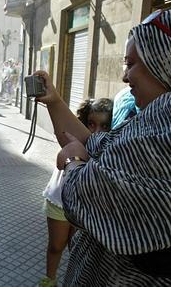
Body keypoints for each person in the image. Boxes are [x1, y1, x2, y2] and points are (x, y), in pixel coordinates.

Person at [35, 6, 171, 285]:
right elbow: (95, 145)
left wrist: (73, 164)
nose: (124, 77)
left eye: (132, 64)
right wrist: (55, 101)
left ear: (169, 61)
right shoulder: (164, 119)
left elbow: (85, 193)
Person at [39, 98, 113, 287]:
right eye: (91, 124)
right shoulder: (75, 135)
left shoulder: (114, 147)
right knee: (56, 246)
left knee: (77, 247)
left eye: (104, 126)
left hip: (86, 203)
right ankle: (49, 281)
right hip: (59, 199)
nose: (97, 131)